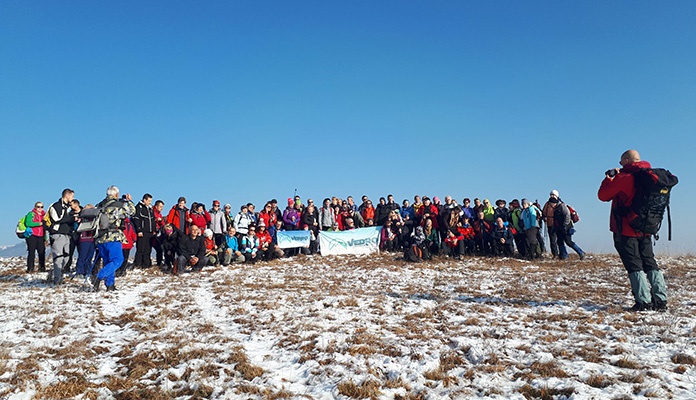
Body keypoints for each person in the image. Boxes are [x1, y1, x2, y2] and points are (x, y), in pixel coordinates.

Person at [598, 149, 668, 312]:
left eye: (622, 161)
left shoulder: (624, 178)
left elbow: (602, 195)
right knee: (650, 262)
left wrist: (608, 179)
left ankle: (643, 301)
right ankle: (660, 299)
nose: (620, 164)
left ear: (628, 160)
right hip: (646, 227)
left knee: (634, 265)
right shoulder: (649, 177)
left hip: (626, 228)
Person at [91, 186, 136, 291]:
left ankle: (110, 285)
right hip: (113, 236)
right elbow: (132, 212)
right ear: (116, 195)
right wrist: (129, 201)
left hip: (100, 238)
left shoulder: (99, 205)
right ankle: (99, 276)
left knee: (108, 262)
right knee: (118, 260)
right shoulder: (119, 205)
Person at [47, 188, 76, 285]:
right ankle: (57, 279)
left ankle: (58, 274)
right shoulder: (56, 206)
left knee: (67, 257)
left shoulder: (69, 207)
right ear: (67, 195)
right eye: (72, 196)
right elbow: (57, 218)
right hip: (57, 234)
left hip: (67, 235)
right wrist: (70, 217)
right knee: (58, 257)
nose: (73, 198)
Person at [550, 196, 585, 260]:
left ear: (554, 203)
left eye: (551, 203)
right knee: (559, 241)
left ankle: (581, 252)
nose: (551, 205)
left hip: (566, 227)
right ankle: (564, 256)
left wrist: (565, 225)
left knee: (568, 242)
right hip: (559, 228)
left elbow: (567, 216)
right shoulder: (555, 208)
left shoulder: (562, 206)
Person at [132, 193, 156, 269]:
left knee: (148, 249)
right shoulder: (139, 208)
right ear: (144, 200)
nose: (150, 202)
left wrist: (154, 229)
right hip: (142, 231)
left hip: (150, 232)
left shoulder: (150, 208)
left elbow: (153, 220)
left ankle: (146, 264)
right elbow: (136, 219)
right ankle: (137, 264)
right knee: (140, 248)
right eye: (149, 201)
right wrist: (139, 230)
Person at [24, 202, 48, 273]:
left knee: (42, 252)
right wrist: (39, 223)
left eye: (41, 206)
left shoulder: (44, 215)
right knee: (31, 252)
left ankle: (42, 268)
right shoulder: (31, 214)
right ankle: (30, 268)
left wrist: (46, 238)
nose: (40, 208)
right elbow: (28, 223)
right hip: (32, 235)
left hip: (41, 236)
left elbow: (45, 228)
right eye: (38, 206)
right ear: (35, 207)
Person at [542, 191, 560, 258]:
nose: (552, 196)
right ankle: (555, 254)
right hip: (550, 224)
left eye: (553, 195)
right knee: (552, 240)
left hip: (558, 224)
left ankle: (562, 254)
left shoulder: (560, 203)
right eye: (551, 195)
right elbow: (544, 212)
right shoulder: (547, 204)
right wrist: (544, 218)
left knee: (559, 239)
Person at [151, 200, 166, 267]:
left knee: (160, 249)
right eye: (160, 206)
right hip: (152, 233)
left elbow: (162, 223)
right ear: (156, 206)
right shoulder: (152, 212)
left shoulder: (159, 214)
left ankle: (159, 263)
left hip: (158, 233)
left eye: (162, 207)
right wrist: (156, 220)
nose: (161, 208)